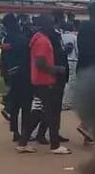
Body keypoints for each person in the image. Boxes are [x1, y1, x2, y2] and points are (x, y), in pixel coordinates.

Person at [18, 14, 71, 155]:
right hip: (45, 81)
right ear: (44, 25)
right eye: (50, 24)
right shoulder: (42, 41)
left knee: (38, 112)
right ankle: (55, 145)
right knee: (52, 113)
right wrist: (57, 69)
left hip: (39, 80)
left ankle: (23, 143)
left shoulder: (39, 38)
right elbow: (40, 63)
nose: (53, 27)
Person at [76, 2, 95, 145]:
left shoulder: (88, 27)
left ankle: (91, 135)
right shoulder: (90, 28)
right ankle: (86, 127)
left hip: (85, 67)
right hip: (91, 69)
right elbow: (93, 50)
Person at [0, 13, 31, 145]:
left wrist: (5, 74)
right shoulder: (22, 37)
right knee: (25, 105)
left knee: (15, 105)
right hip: (24, 74)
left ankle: (15, 132)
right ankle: (24, 132)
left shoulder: (7, 38)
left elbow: (4, 57)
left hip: (11, 74)